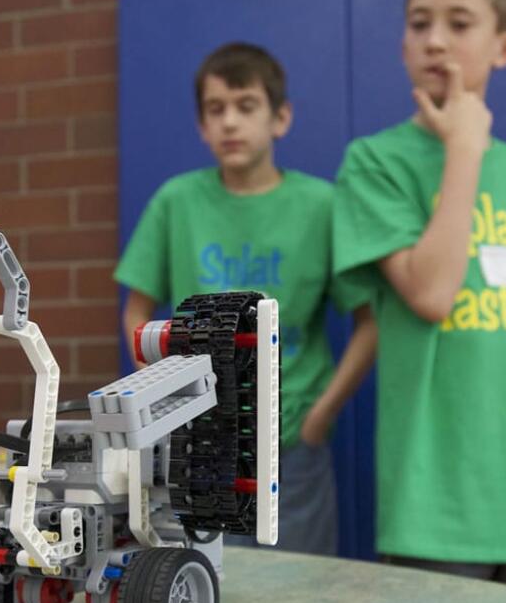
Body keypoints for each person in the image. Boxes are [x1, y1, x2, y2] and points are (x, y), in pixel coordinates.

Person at [333, 0, 506, 591]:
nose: (436, 40)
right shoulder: (374, 162)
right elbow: (431, 293)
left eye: (459, 23)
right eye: (420, 24)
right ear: (402, 44)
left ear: (505, 47)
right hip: (437, 506)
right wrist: (465, 148)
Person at [115, 42, 376, 556]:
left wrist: (320, 415)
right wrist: (163, 400)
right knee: (202, 589)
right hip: (200, 442)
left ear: (280, 118)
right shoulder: (176, 201)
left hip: (292, 446)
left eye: (246, 106)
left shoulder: (322, 205)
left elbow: (370, 321)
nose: (230, 122)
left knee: (299, 595)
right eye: (216, 109)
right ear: (201, 127)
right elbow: (137, 312)